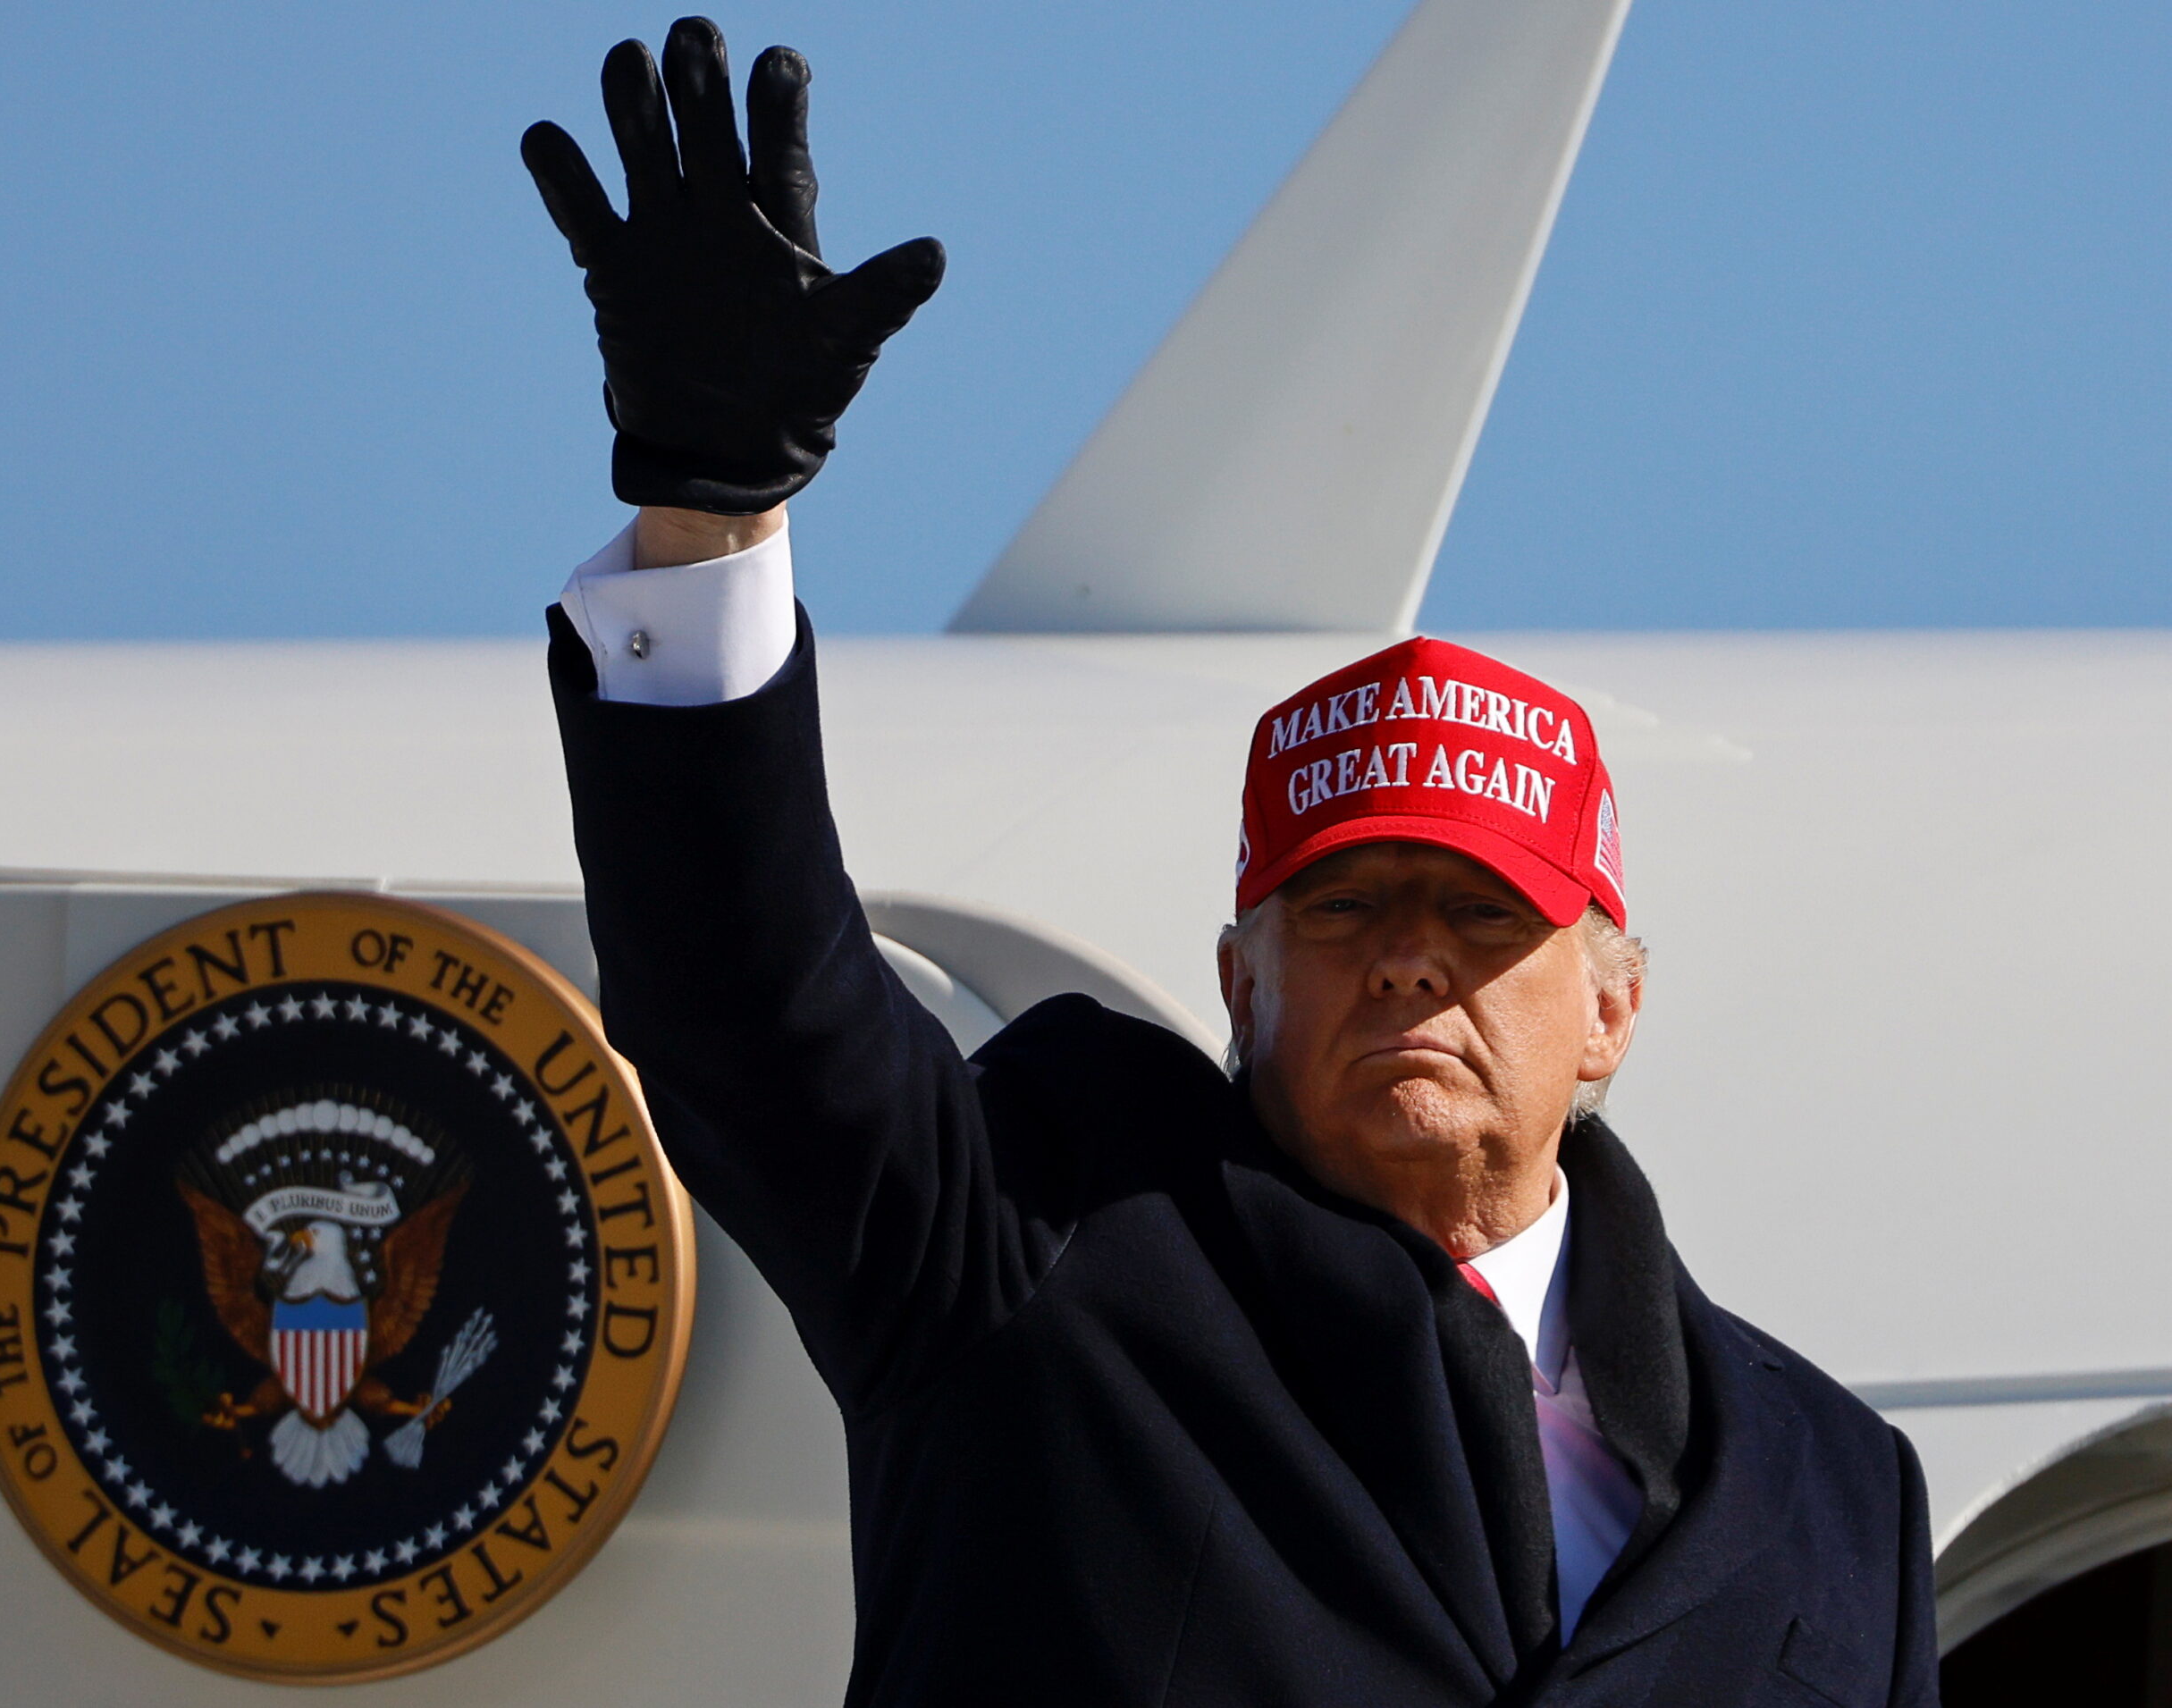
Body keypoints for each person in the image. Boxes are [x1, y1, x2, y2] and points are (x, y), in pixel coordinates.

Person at [524, 20, 1940, 1704]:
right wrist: (709, 514)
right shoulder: (1041, 1241)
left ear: (1614, 1009)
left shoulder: (1840, 1492)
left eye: (1487, 914)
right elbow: (749, 1005)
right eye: (1344, 906)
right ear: (1239, 985)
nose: (1412, 958)